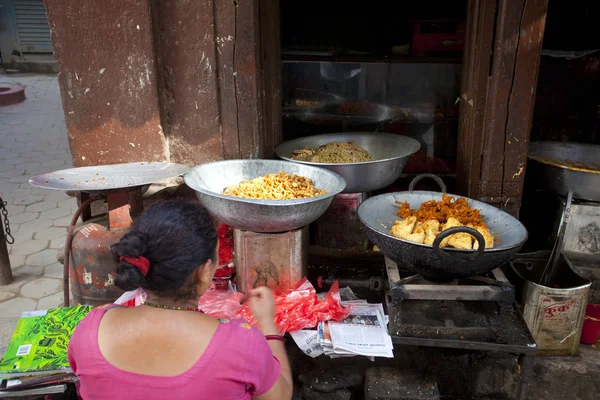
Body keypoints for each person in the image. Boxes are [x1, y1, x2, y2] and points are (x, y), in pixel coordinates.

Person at [68, 201, 293, 399]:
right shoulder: (242, 343)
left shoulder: (90, 328)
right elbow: (280, 396)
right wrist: (268, 325)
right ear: (205, 271)